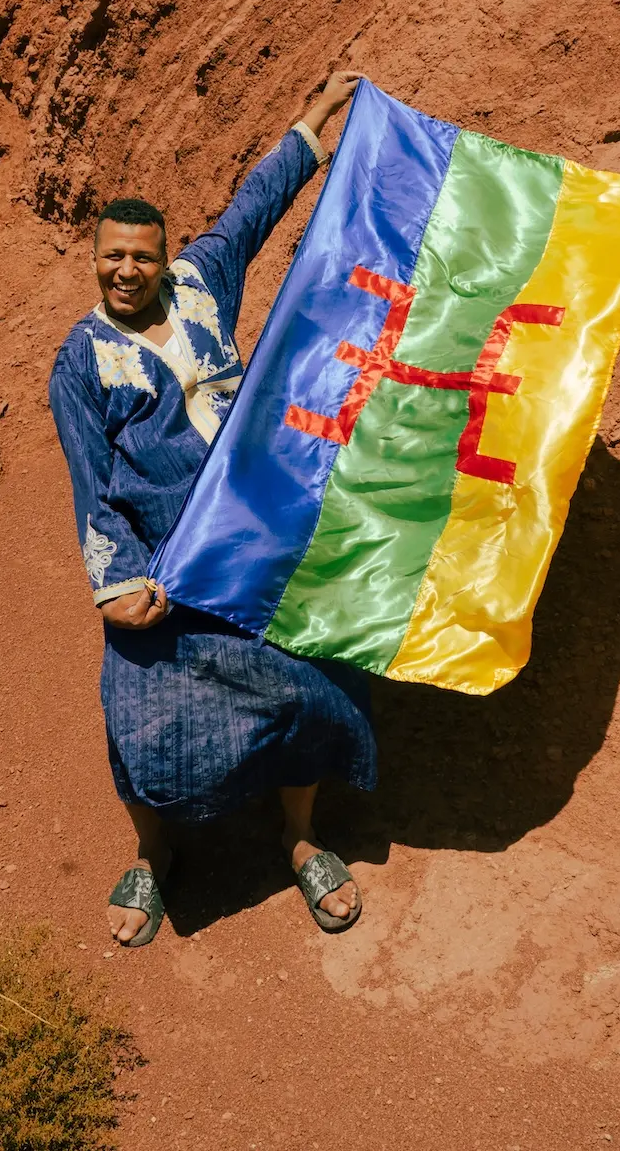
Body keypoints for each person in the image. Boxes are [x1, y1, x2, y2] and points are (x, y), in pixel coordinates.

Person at [48, 71, 377, 947]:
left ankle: (300, 834)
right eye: (112, 256)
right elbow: (92, 487)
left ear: (163, 256)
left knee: (304, 692)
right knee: (140, 724)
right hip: (158, 569)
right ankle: (155, 854)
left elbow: (250, 213)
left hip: (256, 542)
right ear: (94, 257)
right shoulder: (80, 364)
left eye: (142, 256)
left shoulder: (198, 286)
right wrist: (115, 584)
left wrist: (306, 136)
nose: (128, 270)